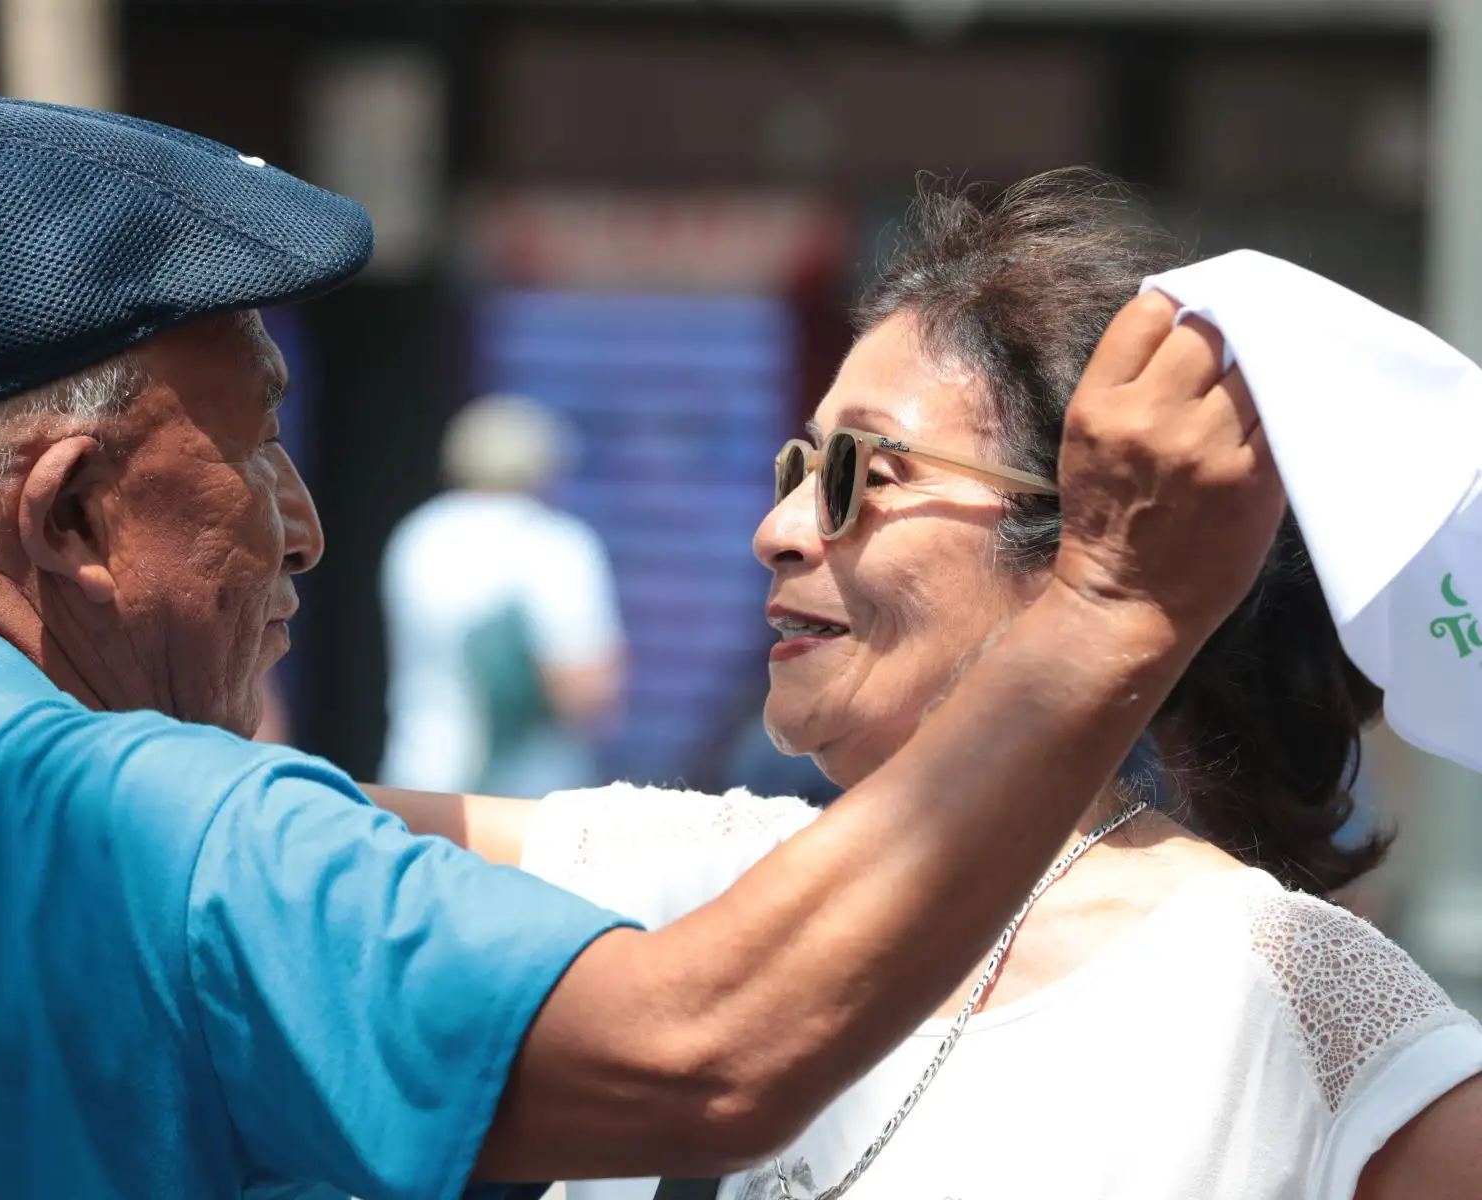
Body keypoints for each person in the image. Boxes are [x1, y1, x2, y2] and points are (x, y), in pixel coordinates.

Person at [0, 100, 1285, 1199]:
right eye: (250, 451)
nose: (299, 524)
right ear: (77, 510)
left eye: (856, 474)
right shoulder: (148, 832)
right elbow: (703, 1050)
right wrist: (1112, 610)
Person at [377, 172, 1482, 1200]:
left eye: (862, 473)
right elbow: (237, 847)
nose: (776, 532)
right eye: (796, 469)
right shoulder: (706, 877)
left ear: (1095, 539)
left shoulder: (1311, 1015)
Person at [380, 393, 623, 795]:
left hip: (420, 781)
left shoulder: (418, 535)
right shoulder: (553, 543)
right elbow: (585, 690)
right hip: (523, 803)